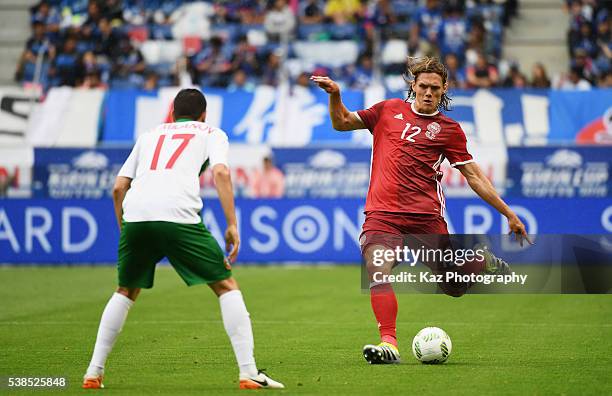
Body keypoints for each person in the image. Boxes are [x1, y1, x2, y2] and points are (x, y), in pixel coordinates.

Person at [311, 57, 530, 365]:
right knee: (378, 268)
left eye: (435, 89)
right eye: (423, 86)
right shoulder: (387, 110)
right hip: (382, 214)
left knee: (453, 286)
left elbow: (474, 176)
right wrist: (335, 95)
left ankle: (481, 261)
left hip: (425, 217)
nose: (428, 93)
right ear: (413, 86)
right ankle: (389, 343)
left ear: (444, 90)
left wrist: (508, 212)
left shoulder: (449, 130)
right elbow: (342, 122)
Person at [82, 89, 284, 390]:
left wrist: (125, 228)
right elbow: (221, 173)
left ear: (173, 113)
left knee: (125, 290)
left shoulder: (149, 135)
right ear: (204, 114)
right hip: (178, 215)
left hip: (136, 215)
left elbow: (118, 187)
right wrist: (232, 224)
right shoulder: (211, 132)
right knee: (225, 284)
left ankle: (93, 372)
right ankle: (248, 372)